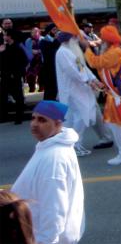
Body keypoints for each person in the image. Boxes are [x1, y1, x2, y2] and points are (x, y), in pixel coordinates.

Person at [12, 100, 84, 244]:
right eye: (33, 118)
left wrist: (44, 241)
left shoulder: (55, 158)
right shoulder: (48, 146)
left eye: (42, 120)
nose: (34, 124)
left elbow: (54, 211)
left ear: (58, 124)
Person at [81, 25, 121, 165]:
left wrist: (86, 48)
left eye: (103, 38)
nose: (101, 40)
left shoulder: (114, 52)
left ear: (107, 40)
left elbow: (95, 63)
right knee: (113, 122)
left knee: (115, 122)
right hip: (116, 89)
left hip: (118, 91)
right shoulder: (116, 49)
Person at [55, 32, 103, 157]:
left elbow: (82, 68)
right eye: (74, 38)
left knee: (76, 117)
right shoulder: (63, 52)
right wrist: (87, 81)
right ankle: (74, 145)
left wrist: (94, 80)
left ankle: (72, 144)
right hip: (72, 91)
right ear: (68, 40)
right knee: (81, 116)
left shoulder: (69, 51)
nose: (77, 41)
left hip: (79, 89)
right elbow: (71, 71)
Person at [0, 28, 28, 124]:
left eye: (5, 35)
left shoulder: (17, 47)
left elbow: (25, 61)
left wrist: (17, 73)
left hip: (14, 77)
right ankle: (4, 116)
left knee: (18, 97)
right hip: (5, 76)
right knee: (3, 96)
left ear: (10, 37)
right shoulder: (5, 47)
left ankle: (19, 117)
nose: (4, 37)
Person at [39, 24, 60, 101]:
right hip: (48, 69)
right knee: (49, 90)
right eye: (54, 30)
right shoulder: (43, 41)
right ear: (48, 32)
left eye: (56, 30)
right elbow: (49, 54)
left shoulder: (57, 41)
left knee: (56, 89)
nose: (56, 32)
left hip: (56, 67)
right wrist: (56, 40)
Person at [23, 27, 43, 93]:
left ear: (39, 32)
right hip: (31, 61)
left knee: (41, 76)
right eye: (33, 32)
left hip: (41, 61)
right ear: (31, 33)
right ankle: (32, 89)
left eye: (36, 31)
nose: (35, 33)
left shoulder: (43, 39)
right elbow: (26, 50)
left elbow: (45, 49)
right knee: (30, 76)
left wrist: (38, 51)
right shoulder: (28, 40)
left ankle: (41, 89)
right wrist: (31, 51)